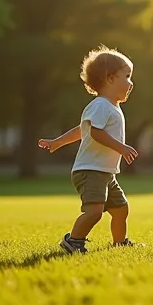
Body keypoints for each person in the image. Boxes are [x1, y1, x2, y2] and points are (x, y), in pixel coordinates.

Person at [39, 45, 141, 254]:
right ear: (110, 78)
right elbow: (94, 133)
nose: (131, 83)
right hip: (91, 170)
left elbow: (82, 130)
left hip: (105, 172)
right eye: (127, 76)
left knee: (121, 209)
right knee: (94, 212)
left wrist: (57, 142)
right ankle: (73, 241)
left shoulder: (110, 107)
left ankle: (119, 243)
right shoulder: (101, 105)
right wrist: (121, 147)